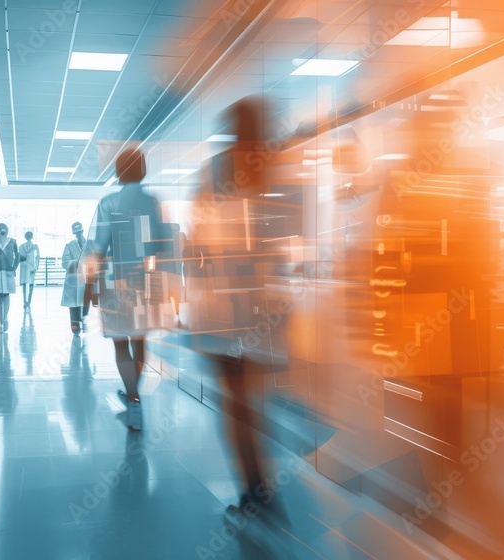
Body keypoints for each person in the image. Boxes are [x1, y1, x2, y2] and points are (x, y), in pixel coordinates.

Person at [186, 97, 290, 528]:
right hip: (262, 308)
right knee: (253, 403)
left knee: (235, 405)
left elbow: (197, 243)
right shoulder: (273, 169)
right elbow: (282, 239)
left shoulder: (215, 171)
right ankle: (262, 487)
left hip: (222, 309)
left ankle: (253, 489)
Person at [82, 147, 165, 431]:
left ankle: (132, 397)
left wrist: (90, 286)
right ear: (143, 170)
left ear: (118, 172)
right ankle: (133, 394)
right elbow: (161, 245)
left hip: (115, 283)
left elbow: (98, 248)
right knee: (140, 341)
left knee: (120, 343)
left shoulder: (109, 203)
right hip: (144, 281)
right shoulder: (153, 203)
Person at [60, 222, 89, 335]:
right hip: (74, 280)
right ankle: (75, 326)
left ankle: (85, 321)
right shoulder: (70, 245)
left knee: (85, 302)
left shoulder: (90, 244)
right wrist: (77, 264)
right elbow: (64, 261)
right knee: (74, 304)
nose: (78, 234)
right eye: (76, 233)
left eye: (79, 232)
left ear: (82, 231)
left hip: (86, 279)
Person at [18, 231, 41, 308]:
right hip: (29, 266)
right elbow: (38, 257)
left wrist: (36, 267)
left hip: (26, 266)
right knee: (30, 284)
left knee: (27, 284)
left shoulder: (22, 247)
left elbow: (37, 257)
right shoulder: (34, 246)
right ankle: (27, 302)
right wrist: (36, 267)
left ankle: (26, 302)